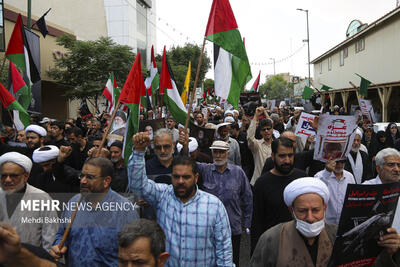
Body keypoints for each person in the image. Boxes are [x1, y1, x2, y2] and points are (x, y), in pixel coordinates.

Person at [128, 131, 234, 267]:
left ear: (195, 178)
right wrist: (138, 151)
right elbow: (138, 185)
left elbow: (224, 250)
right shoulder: (163, 196)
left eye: (186, 177)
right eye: (176, 177)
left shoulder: (214, 206)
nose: (181, 181)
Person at [250, 177, 400, 267]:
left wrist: (389, 253)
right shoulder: (272, 239)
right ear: (292, 210)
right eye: (302, 211)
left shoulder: (339, 235)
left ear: (324, 208)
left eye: (315, 210)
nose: (310, 217)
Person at [50, 157, 139, 266]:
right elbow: (61, 233)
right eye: (82, 176)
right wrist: (58, 245)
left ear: (106, 181)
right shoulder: (73, 202)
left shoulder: (125, 210)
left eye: (90, 177)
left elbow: (135, 252)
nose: (83, 181)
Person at [197, 140, 253, 267]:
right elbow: (186, 162)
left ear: (228, 154)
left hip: (233, 226)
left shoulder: (238, 172)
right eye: (215, 152)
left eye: (221, 152)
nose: (218, 155)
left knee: (232, 261)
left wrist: (246, 223)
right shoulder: (205, 170)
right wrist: (184, 147)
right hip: (209, 228)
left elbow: (248, 198)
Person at [251, 137, 307, 254]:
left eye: (290, 155)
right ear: (273, 156)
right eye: (282, 156)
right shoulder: (262, 183)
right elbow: (257, 223)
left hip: (301, 245)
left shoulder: (303, 178)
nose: (287, 160)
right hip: (273, 247)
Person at [0, 152, 58, 251]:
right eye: (4, 176)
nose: (8, 180)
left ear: (26, 176)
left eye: (13, 176)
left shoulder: (42, 198)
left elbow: (50, 236)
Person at [363, 148, 400, 232]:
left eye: (399, 165)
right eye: (391, 165)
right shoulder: (367, 188)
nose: (397, 169)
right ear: (378, 168)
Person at [314, 158, 355, 224]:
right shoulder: (319, 176)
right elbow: (316, 195)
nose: (340, 164)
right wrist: (327, 173)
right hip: (326, 224)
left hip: (344, 224)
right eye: (337, 161)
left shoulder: (350, 177)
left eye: (343, 161)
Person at [247, 106, 273, 185]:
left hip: (273, 182)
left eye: (268, 129)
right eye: (263, 130)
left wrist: (265, 112)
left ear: (272, 130)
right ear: (260, 132)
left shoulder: (277, 145)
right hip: (258, 183)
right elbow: (250, 138)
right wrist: (256, 116)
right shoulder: (257, 145)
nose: (266, 131)